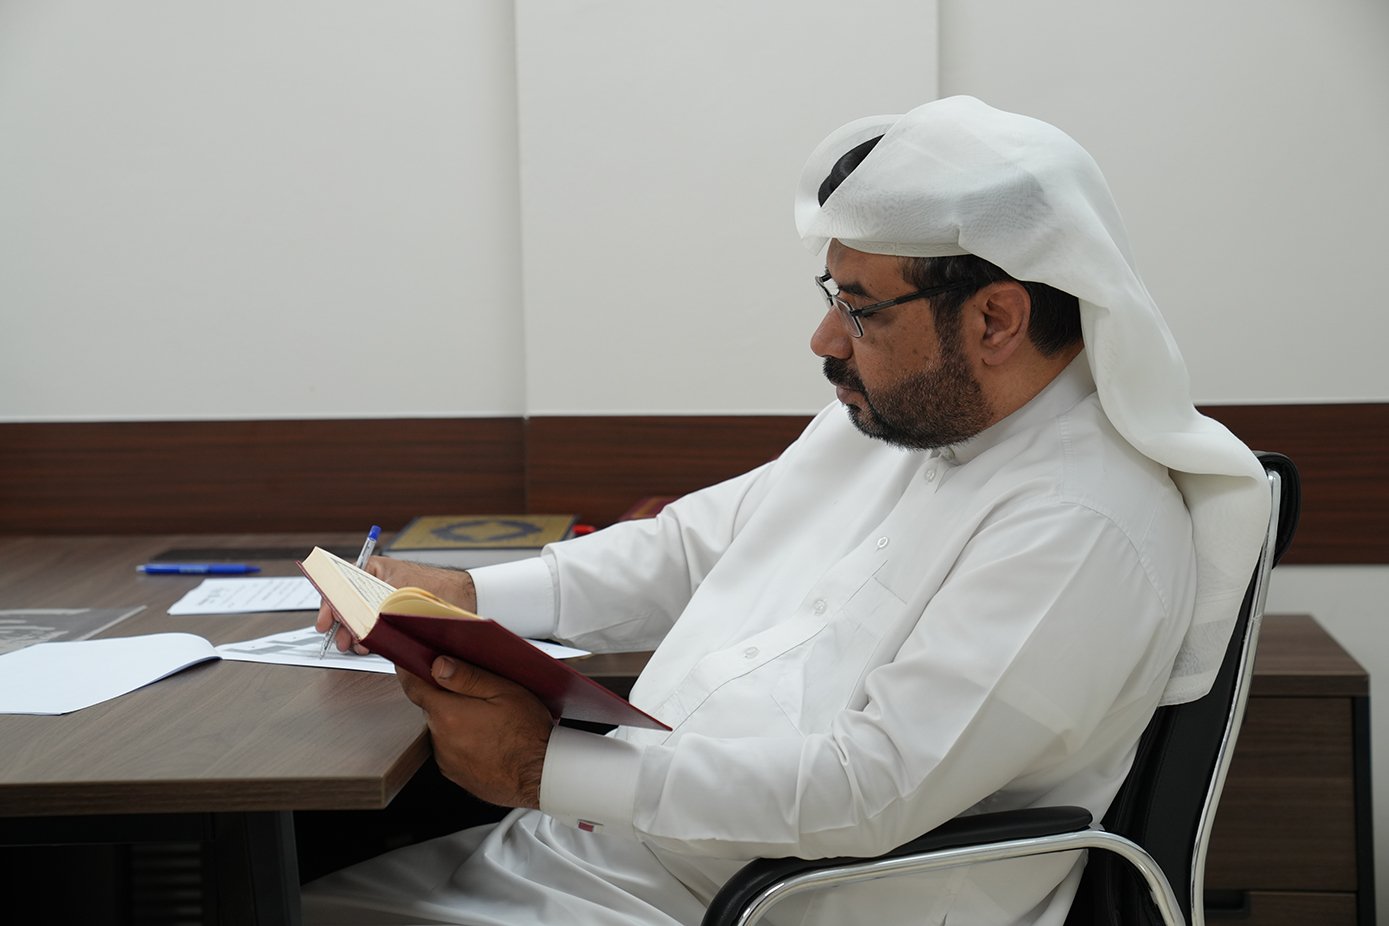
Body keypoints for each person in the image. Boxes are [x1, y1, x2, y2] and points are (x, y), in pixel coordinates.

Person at [301, 97, 1269, 925]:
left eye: (860, 308)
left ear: (994, 319)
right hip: (612, 852)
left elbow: (872, 787)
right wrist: (469, 594)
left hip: (749, 902)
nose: (824, 339)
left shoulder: (1083, 525)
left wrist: (541, 768)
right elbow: (694, 546)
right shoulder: (901, 419)